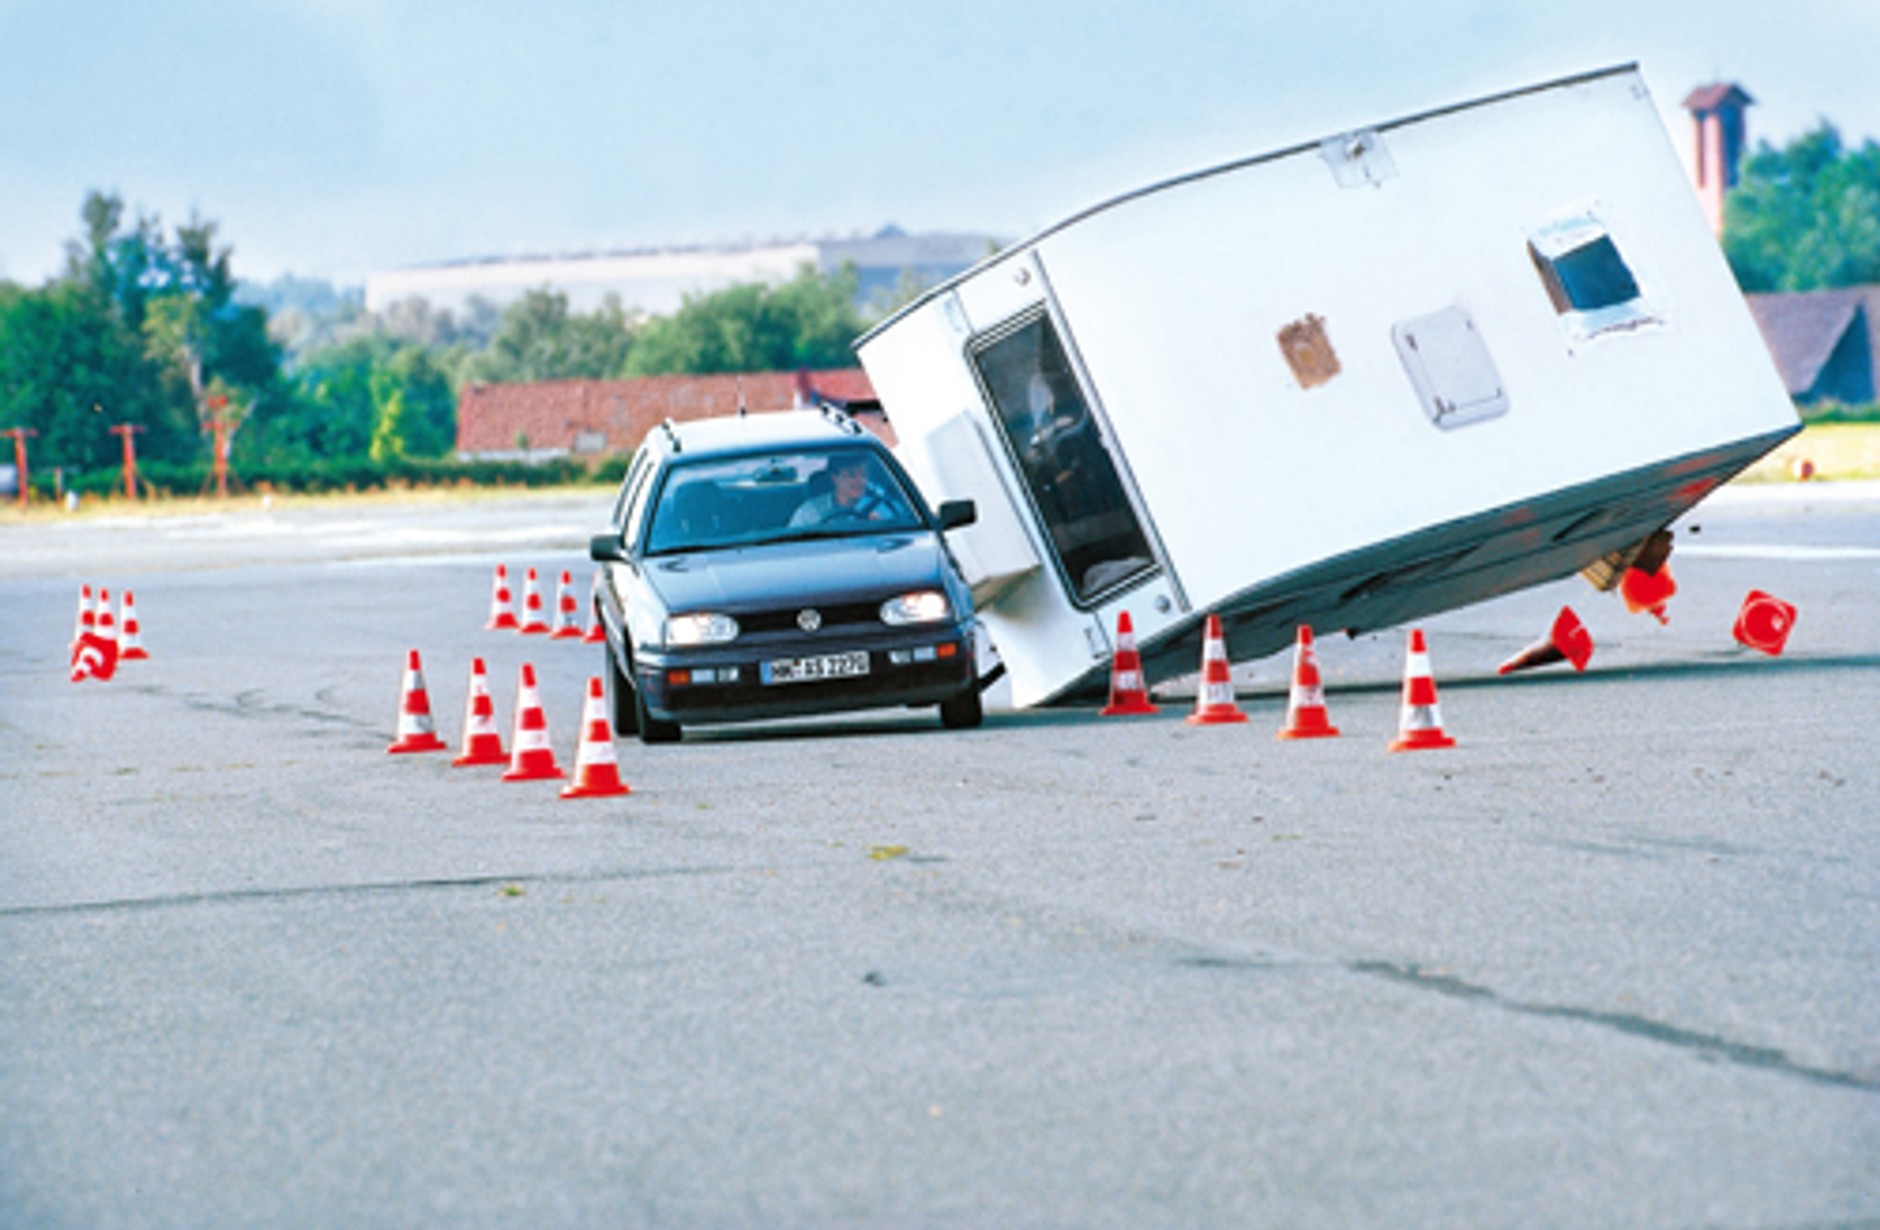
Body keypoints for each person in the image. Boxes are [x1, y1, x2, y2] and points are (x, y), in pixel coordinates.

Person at [789, 455, 892, 527]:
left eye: (864, 475)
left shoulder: (881, 508)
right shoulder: (810, 511)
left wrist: (879, 526)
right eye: (851, 475)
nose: (860, 481)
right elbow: (792, 546)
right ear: (834, 478)